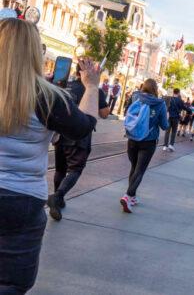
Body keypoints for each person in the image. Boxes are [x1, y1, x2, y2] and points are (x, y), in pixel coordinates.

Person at [0, 18, 99, 293]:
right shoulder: (47, 97)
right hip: (22, 198)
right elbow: (84, 128)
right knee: (12, 282)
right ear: (35, 51)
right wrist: (91, 87)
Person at [47, 63, 111, 221]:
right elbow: (104, 113)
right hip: (79, 136)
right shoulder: (95, 89)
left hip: (60, 133)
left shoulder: (65, 85)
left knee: (60, 169)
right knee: (75, 169)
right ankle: (58, 196)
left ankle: (58, 199)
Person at [120, 79, 169, 213]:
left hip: (132, 138)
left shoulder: (135, 96)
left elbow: (127, 113)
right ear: (155, 89)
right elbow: (164, 125)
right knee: (140, 170)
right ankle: (128, 195)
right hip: (148, 140)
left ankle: (133, 196)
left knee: (134, 167)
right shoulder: (160, 104)